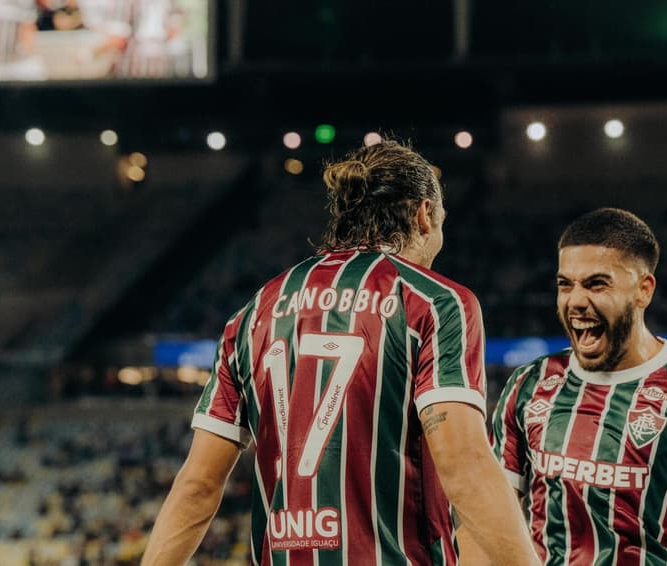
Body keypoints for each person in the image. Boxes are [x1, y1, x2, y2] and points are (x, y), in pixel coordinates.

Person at [141, 140, 540, 565]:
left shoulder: (253, 314)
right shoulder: (435, 302)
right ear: (425, 215)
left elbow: (198, 486)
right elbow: (465, 467)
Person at [491, 207, 667, 565]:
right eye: (565, 284)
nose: (575, 301)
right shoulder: (530, 383)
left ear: (644, 290)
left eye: (597, 284)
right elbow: (488, 519)